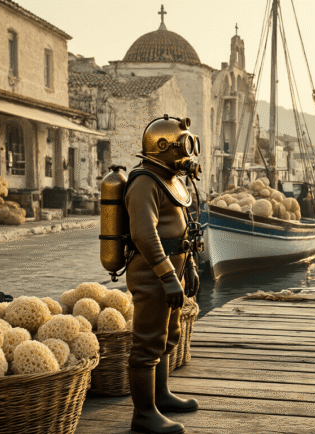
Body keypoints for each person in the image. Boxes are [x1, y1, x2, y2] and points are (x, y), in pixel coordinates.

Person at [124, 115, 201, 434]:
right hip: (153, 274)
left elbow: (183, 228)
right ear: (163, 147)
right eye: (184, 145)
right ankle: (143, 414)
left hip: (174, 269)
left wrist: (190, 267)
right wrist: (168, 276)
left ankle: (160, 395)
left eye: (190, 143)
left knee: (169, 336)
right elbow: (144, 234)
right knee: (147, 344)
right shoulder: (145, 182)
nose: (188, 152)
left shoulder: (170, 179)